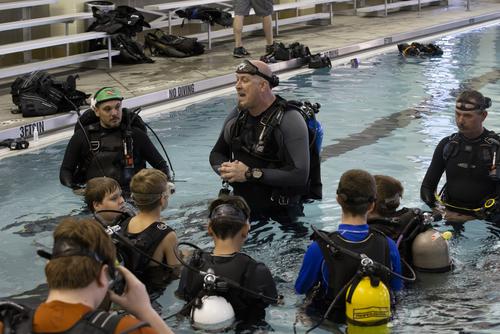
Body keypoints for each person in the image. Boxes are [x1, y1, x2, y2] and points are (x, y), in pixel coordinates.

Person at [0, 218, 174, 334]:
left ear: (48, 269)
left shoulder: (9, 323)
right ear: (103, 275)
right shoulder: (125, 329)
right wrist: (145, 310)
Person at [209, 60, 313, 223]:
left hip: (280, 216)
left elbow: (300, 174)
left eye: (245, 80)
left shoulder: (289, 119)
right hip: (242, 210)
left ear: (263, 85)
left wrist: (249, 174)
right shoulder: (238, 115)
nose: (237, 86)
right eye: (237, 79)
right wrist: (227, 170)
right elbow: (217, 153)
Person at [295, 169, 403, 324]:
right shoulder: (388, 245)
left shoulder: (319, 248)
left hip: (333, 321)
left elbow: (300, 289)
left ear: (338, 199)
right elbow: (397, 289)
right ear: (372, 205)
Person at [176, 195, 278, 326]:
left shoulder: (192, 266)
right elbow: (274, 302)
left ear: (209, 229)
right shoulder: (257, 270)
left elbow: (182, 297)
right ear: (246, 230)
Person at [59, 87, 170, 195]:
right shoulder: (82, 137)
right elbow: (66, 170)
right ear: (97, 111)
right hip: (97, 200)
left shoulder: (136, 135)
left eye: (117, 107)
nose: (114, 113)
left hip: (133, 198)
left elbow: (161, 166)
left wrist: (165, 186)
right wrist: (77, 189)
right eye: (107, 109)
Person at [420, 90, 499, 222]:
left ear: (483, 116)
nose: (460, 120)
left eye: (468, 116)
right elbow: (427, 188)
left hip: (487, 219)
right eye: (457, 114)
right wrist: (438, 209)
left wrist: (472, 218)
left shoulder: (496, 149)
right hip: (450, 213)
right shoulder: (447, 145)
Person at [118, 168, 179, 296]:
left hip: (126, 289)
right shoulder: (167, 235)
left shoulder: (125, 223)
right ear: (162, 199)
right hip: (153, 294)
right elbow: (176, 271)